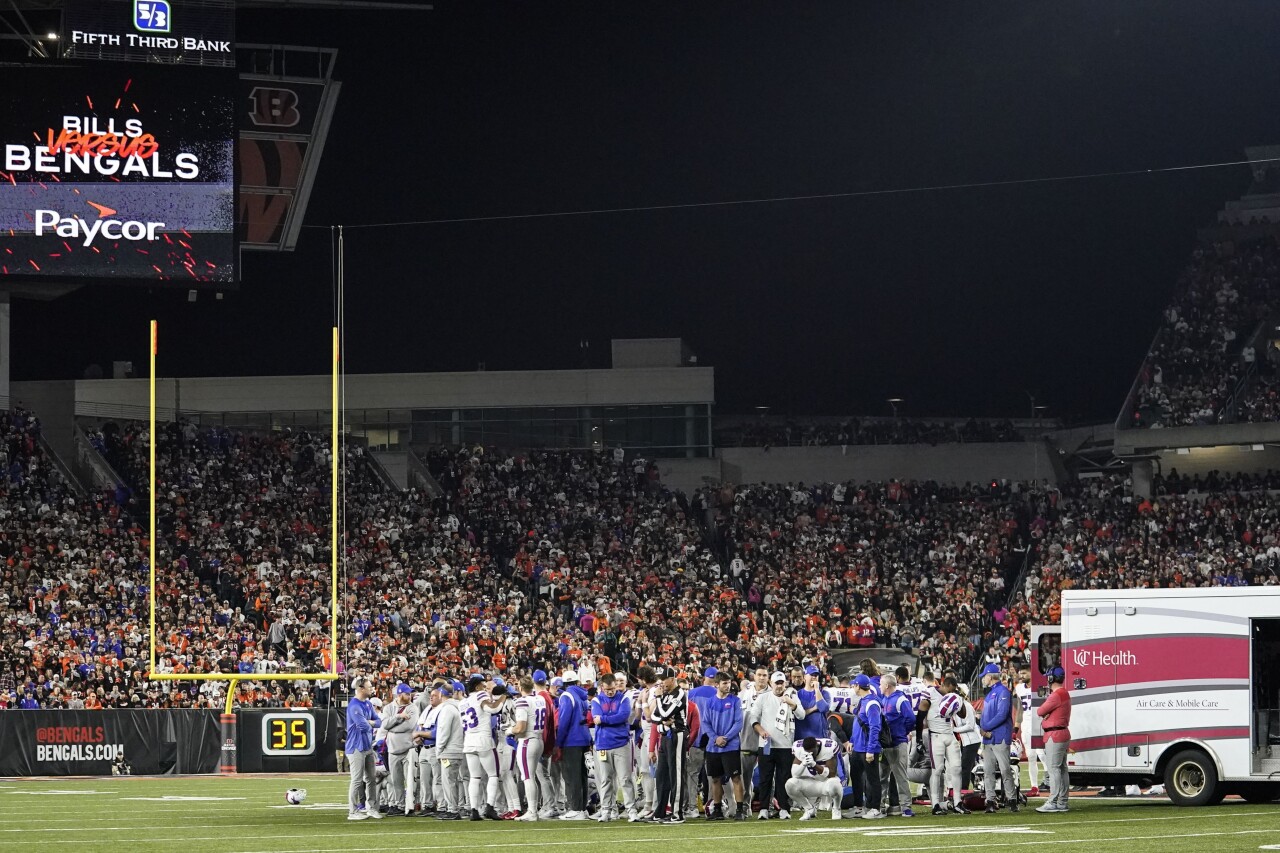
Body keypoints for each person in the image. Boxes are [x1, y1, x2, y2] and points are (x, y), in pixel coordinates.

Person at [749, 670, 805, 819]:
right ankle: (763, 809)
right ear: (771, 684)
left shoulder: (792, 696)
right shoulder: (763, 698)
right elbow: (753, 717)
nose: (779, 686)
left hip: (785, 745)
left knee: (784, 778)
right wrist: (760, 730)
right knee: (765, 778)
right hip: (767, 744)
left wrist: (791, 703)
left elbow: (801, 714)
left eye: (781, 683)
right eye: (776, 683)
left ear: (785, 684)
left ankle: (784, 808)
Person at [590, 673, 638, 822]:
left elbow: (623, 716)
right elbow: (595, 717)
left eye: (612, 689)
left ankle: (631, 810)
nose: (610, 692)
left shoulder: (623, 698)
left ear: (615, 686)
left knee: (625, 779)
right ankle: (606, 810)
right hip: (603, 744)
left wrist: (604, 719)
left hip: (621, 744)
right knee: (605, 780)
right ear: (602, 687)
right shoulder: (597, 700)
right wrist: (610, 718)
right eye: (607, 689)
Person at [649, 667, 692, 824]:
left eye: (664, 679)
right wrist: (662, 721)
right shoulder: (666, 695)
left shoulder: (680, 694)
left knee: (676, 775)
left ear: (672, 679)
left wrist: (660, 703)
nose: (661, 682)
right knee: (662, 776)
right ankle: (660, 812)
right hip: (665, 737)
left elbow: (665, 714)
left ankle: (677, 813)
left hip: (677, 735)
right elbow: (654, 716)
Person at [701, 672, 747, 821]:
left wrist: (725, 738)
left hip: (731, 746)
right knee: (715, 779)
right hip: (713, 746)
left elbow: (738, 723)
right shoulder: (709, 702)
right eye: (724, 683)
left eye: (729, 683)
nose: (728, 686)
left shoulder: (735, 701)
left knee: (735, 777)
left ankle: (740, 809)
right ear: (717, 685)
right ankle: (718, 809)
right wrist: (715, 738)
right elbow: (705, 722)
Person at [461, 675, 505, 821]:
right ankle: (489, 807)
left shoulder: (463, 702)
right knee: (493, 775)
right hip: (483, 739)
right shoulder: (481, 695)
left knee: (475, 777)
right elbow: (492, 708)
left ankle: (474, 810)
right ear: (477, 686)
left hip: (469, 740)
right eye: (482, 684)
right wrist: (503, 697)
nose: (484, 686)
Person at [925, 676, 970, 815]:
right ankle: (935, 804)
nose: (953, 692)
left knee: (956, 768)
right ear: (947, 685)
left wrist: (960, 699)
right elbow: (921, 711)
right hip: (936, 735)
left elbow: (963, 715)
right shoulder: (930, 692)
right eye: (952, 689)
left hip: (949, 734)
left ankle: (957, 802)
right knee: (937, 770)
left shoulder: (954, 696)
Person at [979, 664, 1019, 813]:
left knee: (1005, 769)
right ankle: (990, 800)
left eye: (985, 676)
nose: (983, 679)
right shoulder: (992, 693)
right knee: (988, 770)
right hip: (990, 737)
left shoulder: (1003, 692)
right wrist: (983, 729)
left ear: (990, 676)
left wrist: (985, 728)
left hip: (999, 736)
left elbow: (1002, 715)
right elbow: (986, 716)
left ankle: (1012, 799)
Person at [345, 676, 383, 822]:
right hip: (356, 747)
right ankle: (353, 810)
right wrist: (371, 723)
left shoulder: (367, 704)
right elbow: (363, 726)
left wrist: (370, 722)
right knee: (356, 780)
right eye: (369, 687)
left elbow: (379, 722)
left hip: (367, 746)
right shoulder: (354, 706)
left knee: (371, 778)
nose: (372, 688)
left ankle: (372, 807)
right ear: (361, 689)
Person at [555, 669, 591, 820]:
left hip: (572, 739)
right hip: (584, 737)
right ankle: (582, 808)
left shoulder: (567, 695)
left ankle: (575, 809)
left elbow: (564, 721)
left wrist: (559, 742)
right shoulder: (582, 695)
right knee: (582, 775)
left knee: (572, 775)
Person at [1035, 666, 1071, 814]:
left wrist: (1046, 716)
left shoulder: (1056, 695)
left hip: (1054, 735)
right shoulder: (1065, 693)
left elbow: (1040, 711)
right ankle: (1062, 801)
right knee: (1062, 769)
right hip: (1062, 734)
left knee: (1054, 769)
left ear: (1050, 679)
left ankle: (1053, 801)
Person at [508, 675, 545, 821]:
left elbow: (521, 727)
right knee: (531, 776)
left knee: (527, 777)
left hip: (527, 741)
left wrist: (510, 731)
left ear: (520, 687)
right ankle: (533, 810)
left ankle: (532, 811)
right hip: (538, 739)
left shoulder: (522, 701)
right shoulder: (539, 699)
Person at [878, 674, 916, 817]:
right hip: (886, 745)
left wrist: (903, 732)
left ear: (887, 686)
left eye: (881, 684)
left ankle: (906, 807)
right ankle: (880, 806)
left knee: (900, 776)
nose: (880, 686)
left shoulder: (900, 699)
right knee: (882, 776)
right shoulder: (884, 699)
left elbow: (911, 718)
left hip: (897, 744)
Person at [786, 735, 844, 821]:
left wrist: (814, 765)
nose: (811, 754)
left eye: (812, 752)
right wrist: (803, 764)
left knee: (834, 784)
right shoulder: (798, 748)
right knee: (790, 784)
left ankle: (836, 808)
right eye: (807, 752)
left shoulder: (828, 747)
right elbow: (794, 774)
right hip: (809, 783)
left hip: (825, 783)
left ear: (817, 746)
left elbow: (831, 773)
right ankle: (809, 809)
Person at [380, 683, 418, 816]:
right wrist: (399, 717)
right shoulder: (389, 708)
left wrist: (392, 727)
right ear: (400, 694)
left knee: (410, 780)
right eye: (407, 694)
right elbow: (384, 725)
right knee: (396, 780)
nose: (410, 696)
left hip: (409, 748)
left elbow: (409, 726)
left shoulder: (413, 707)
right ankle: (400, 805)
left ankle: (411, 805)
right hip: (393, 749)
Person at [851, 674, 884, 819]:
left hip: (867, 748)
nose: (853, 687)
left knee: (872, 779)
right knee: (856, 777)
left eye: (854, 685)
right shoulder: (864, 701)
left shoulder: (872, 703)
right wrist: (852, 740)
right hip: (858, 746)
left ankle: (875, 808)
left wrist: (871, 749)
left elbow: (875, 727)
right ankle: (859, 807)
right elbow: (858, 724)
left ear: (858, 686)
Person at [738, 668, 769, 814]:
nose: (762, 678)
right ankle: (745, 806)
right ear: (754, 677)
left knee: (768, 775)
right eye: (759, 675)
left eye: (764, 675)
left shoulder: (772, 694)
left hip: (766, 739)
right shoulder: (745, 693)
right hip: (746, 738)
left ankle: (766, 805)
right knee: (745, 776)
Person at [433, 682, 465, 820]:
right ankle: (456, 807)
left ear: (441, 694)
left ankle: (452, 809)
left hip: (448, 751)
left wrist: (439, 749)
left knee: (448, 781)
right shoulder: (458, 707)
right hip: (458, 749)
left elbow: (443, 732)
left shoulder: (447, 710)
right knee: (454, 780)